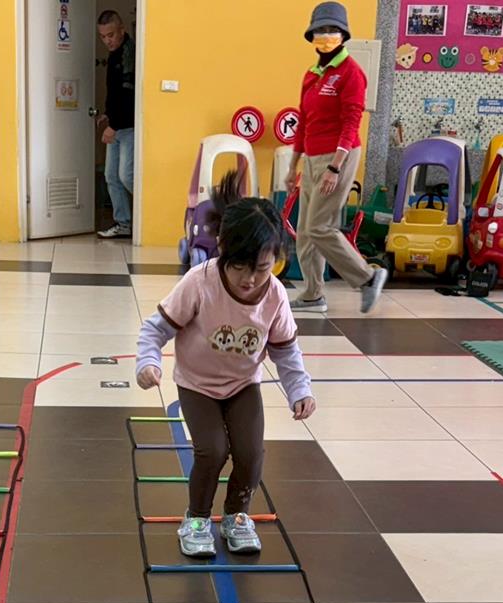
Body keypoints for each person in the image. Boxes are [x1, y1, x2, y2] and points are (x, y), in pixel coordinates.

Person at [135, 174, 315, 558]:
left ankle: (236, 515)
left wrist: (300, 389)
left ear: (276, 260)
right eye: (240, 267)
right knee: (212, 450)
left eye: (262, 268)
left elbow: (285, 350)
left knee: (251, 454)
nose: (250, 279)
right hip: (196, 384)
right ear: (222, 250)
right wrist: (148, 361)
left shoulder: (275, 295)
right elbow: (156, 329)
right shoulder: (200, 282)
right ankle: (197, 518)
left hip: (243, 384)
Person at [286, 2, 387, 315]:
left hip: (338, 157)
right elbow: (304, 121)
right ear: (311, 35)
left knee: (320, 227)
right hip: (313, 157)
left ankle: (368, 278)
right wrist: (293, 166)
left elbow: (351, 122)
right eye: (320, 30)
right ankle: (312, 295)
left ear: (343, 35)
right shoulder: (312, 74)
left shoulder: (351, 73)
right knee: (305, 231)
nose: (326, 35)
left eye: (332, 30)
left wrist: (334, 167)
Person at [96, 10, 135, 239]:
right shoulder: (113, 55)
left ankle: (148, 213)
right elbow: (114, 93)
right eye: (103, 36)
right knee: (111, 176)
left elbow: (129, 96)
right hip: (116, 124)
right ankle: (124, 223)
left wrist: (114, 125)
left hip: (128, 127)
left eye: (111, 35)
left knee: (126, 176)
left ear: (122, 30)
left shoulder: (129, 54)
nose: (107, 41)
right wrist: (107, 114)